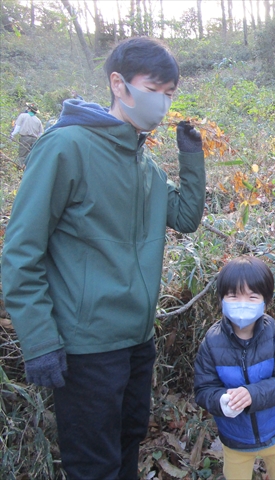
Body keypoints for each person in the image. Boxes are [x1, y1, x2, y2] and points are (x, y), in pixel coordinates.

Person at [1, 37, 206, 480]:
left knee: (129, 439)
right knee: (93, 463)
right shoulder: (66, 147)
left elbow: (186, 217)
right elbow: (21, 251)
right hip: (86, 346)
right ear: (119, 83)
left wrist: (191, 157)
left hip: (137, 338)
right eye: (156, 89)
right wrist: (40, 340)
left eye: (170, 94)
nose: (164, 103)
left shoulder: (144, 164)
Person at [194, 256, 275, 480]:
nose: (242, 303)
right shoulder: (211, 342)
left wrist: (252, 394)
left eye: (252, 296)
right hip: (235, 438)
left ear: (265, 300)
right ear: (222, 298)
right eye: (233, 295)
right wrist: (220, 401)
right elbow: (204, 389)